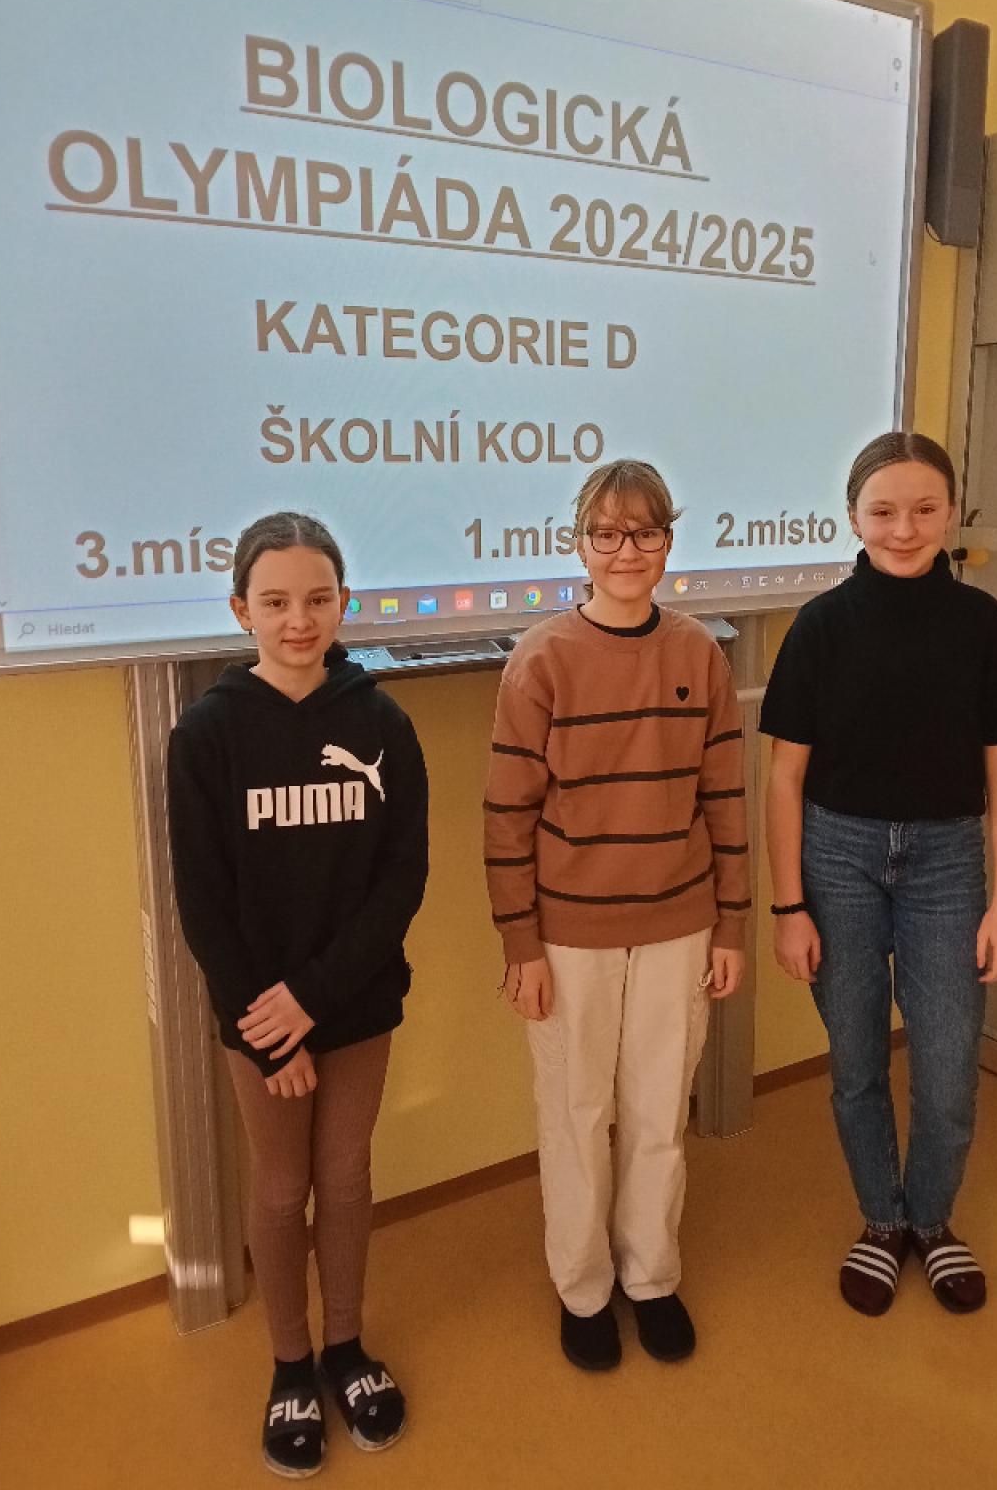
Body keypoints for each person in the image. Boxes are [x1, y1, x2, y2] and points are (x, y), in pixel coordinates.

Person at [167, 511, 428, 1477]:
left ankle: (346, 1348)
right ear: (242, 609)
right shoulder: (206, 735)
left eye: (317, 599)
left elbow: (401, 879)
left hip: (353, 1003)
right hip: (259, 1019)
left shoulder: (382, 723)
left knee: (347, 1177)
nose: (298, 620)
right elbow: (203, 902)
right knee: (282, 1190)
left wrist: (314, 1000)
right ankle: (289, 1364)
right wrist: (271, 1029)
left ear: (343, 604)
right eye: (275, 602)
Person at [484, 459, 751, 1371]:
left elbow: (724, 798)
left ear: (668, 542)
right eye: (607, 533)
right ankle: (584, 1288)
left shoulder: (699, 653)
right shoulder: (541, 659)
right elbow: (507, 814)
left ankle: (651, 1277)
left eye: (644, 533)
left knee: (657, 1114)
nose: (626, 550)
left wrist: (732, 926)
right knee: (575, 1114)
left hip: (682, 923)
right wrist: (521, 944)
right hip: (569, 935)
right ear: (580, 544)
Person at [761, 431, 997, 1317]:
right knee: (856, 1063)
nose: (904, 529)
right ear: (852, 517)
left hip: (948, 861)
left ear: (950, 513)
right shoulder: (820, 625)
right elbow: (784, 778)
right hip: (836, 857)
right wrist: (789, 907)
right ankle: (883, 1221)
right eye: (883, 511)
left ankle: (933, 1219)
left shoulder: (980, 623)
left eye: (924, 509)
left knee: (948, 1068)